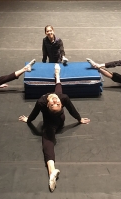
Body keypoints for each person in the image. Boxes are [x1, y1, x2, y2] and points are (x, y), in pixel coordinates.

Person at [19, 64, 90, 192]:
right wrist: (79, 119)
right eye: (55, 103)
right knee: (58, 90)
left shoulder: (48, 101)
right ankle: (57, 75)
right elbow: (35, 114)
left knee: (47, 140)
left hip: (55, 123)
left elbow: (70, 109)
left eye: (55, 103)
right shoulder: (56, 99)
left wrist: (79, 119)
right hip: (56, 120)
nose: (55, 101)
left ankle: (51, 170)